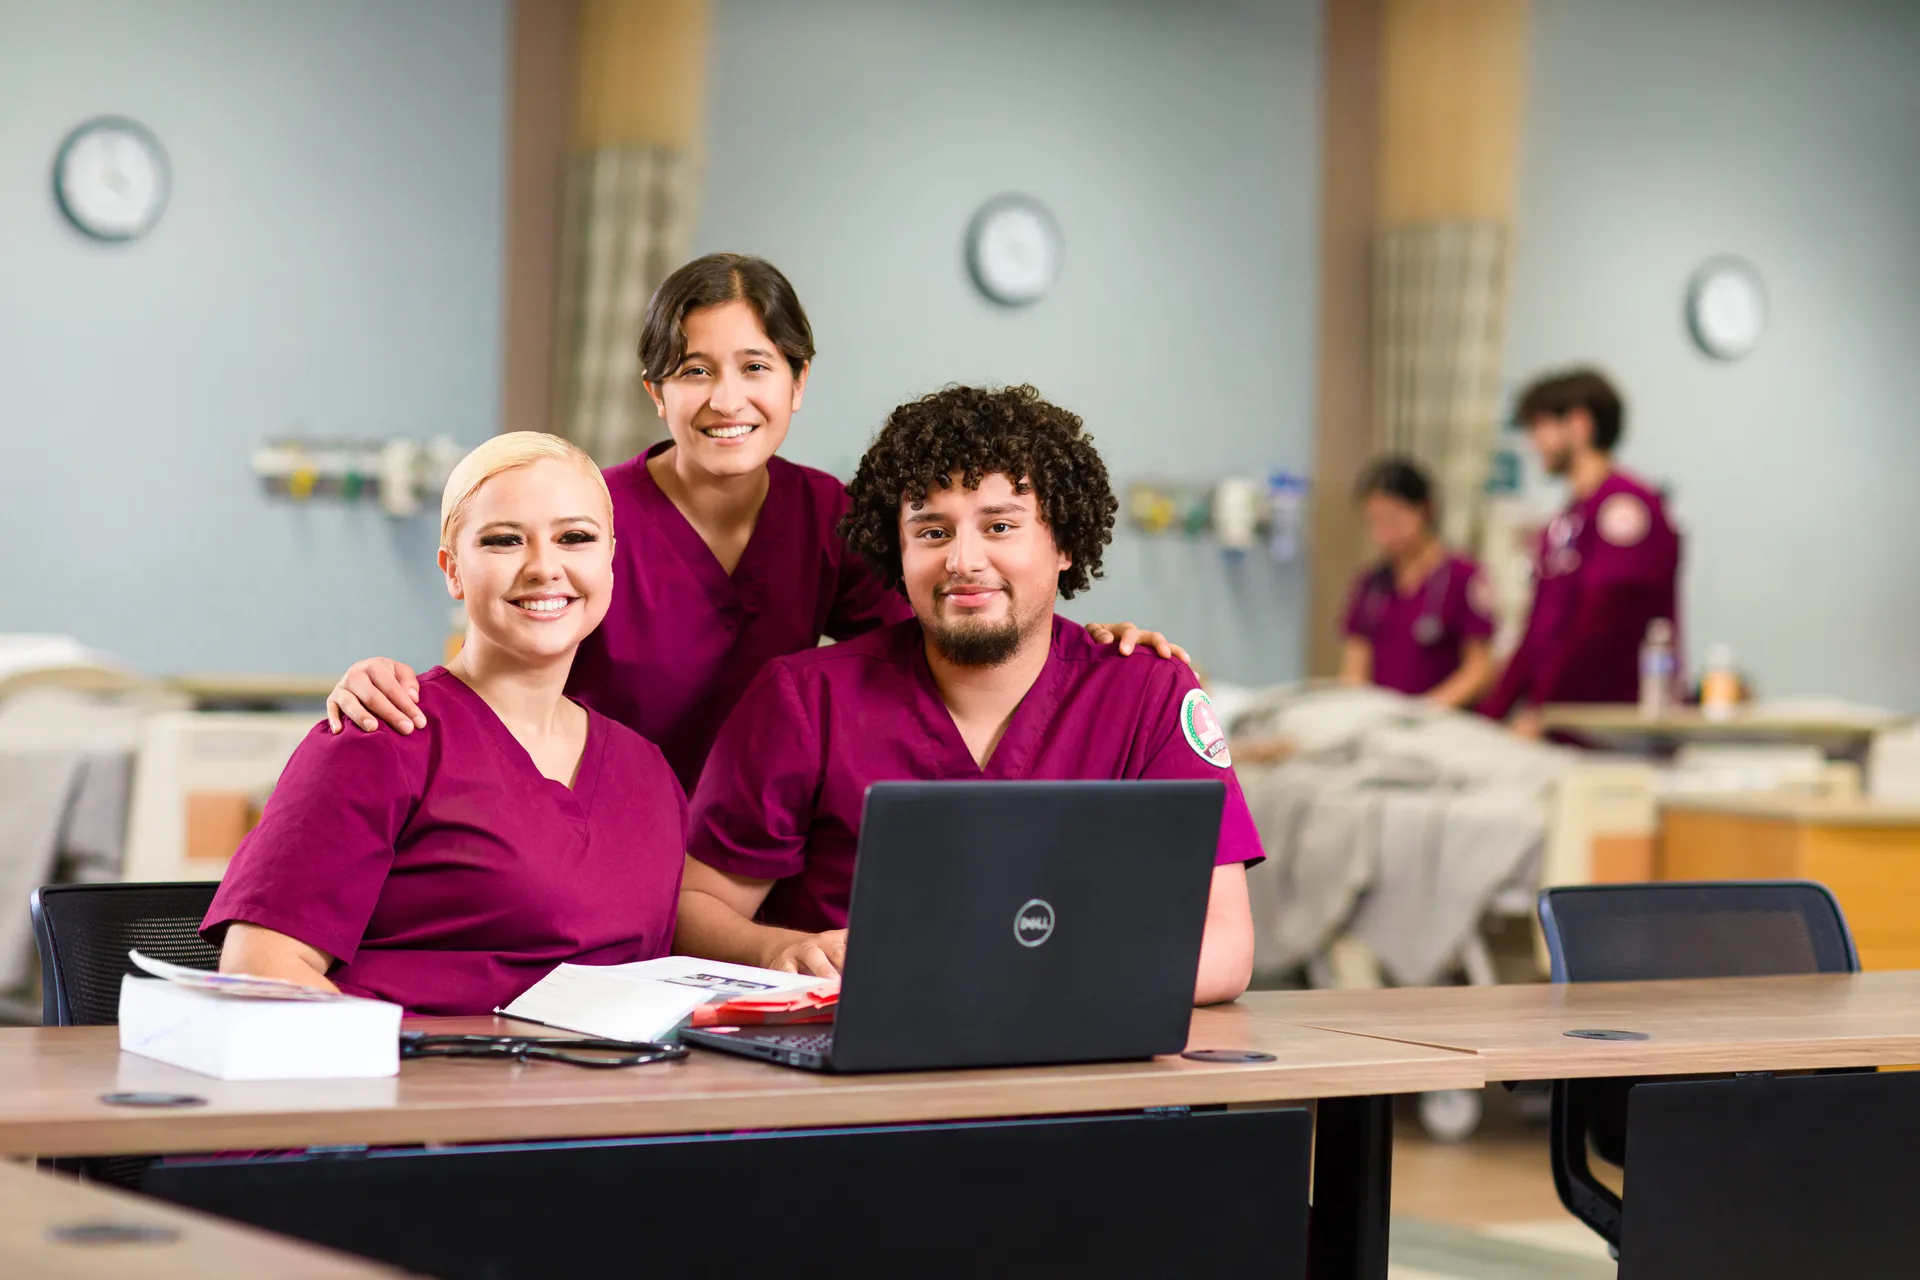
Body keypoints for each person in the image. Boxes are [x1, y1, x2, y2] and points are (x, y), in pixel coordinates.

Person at [324, 254, 1182, 794]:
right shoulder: (590, 516)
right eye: (695, 371)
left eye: (756, 367)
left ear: (798, 382)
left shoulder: (829, 515)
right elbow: (494, 648)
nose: (726, 400)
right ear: (657, 391)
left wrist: (1081, 645)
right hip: (596, 813)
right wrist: (383, 683)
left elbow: (943, 634)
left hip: (760, 846)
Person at [676, 385, 1262, 1006]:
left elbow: (1224, 944)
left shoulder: (1147, 694)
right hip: (860, 1076)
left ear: (1063, 544)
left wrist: (1029, 985)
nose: (963, 559)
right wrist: (775, 950)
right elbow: (694, 906)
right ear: (896, 552)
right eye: (930, 532)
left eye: (1000, 526)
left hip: (1085, 1071)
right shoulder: (804, 700)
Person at [202, 434, 686, 1015]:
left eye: (575, 538)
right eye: (505, 540)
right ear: (453, 570)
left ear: (610, 560)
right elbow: (260, 972)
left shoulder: (648, 775)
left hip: (608, 1096)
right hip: (411, 1090)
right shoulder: (381, 734)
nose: (543, 566)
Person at [1478, 368, 1682, 738]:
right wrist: (1491, 717)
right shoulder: (1567, 520)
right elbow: (1538, 629)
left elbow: (1604, 619)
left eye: (1539, 427)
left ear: (1579, 424)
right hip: (1557, 720)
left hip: (1609, 726)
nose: (1533, 442)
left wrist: (1545, 708)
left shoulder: (1627, 507)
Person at [1338, 456, 1495, 708]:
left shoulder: (1462, 577)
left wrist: (1424, 712)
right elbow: (1354, 670)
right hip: (1381, 724)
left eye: (1392, 519)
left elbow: (1479, 669)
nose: (1383, 533)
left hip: (1442, 724)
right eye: (1375, 521)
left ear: (1424, 509)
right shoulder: (1371, 585)